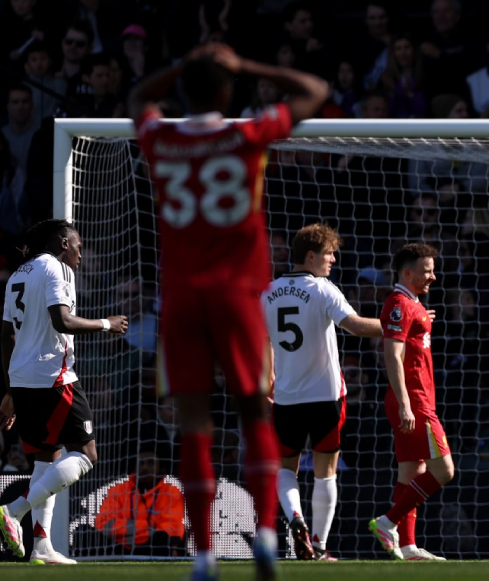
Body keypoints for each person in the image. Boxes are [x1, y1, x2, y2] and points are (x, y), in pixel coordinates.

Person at [128, 43, 327, 581]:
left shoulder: (161, 139)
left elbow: (138, 97)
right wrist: (244, 63)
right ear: (227, 90)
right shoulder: (246, 135)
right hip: (239, 293)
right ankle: (265, 533)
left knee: (194, 425)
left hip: (182, 298)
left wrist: (186, 63)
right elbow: (314, 91)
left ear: (185, 88)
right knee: (255, 411)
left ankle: (204, 557)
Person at [0, 219, 129, 565]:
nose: (81, 253)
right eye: (78, 245)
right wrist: (105, 324)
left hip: (24, 380)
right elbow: (63, 321)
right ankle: (14, 508)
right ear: (62, 243)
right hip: (54, 377)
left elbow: (7, 336)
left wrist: (11, 390)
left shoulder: (17, 275)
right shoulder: (56, 269)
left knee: (45, 461)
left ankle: (42, 547)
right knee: (87, 455)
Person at [263, 223, 383, 562]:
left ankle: (295, 519)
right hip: (327, 395)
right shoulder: (323, 289)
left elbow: (260, 342)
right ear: (311, 256)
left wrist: (267, 376)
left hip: (286, 397)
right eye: (329, 253)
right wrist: (400, 324)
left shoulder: (267, 292)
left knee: (286, 469)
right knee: (324, 470)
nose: (333, 260)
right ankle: (318, 545)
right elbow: (358, 326)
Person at [368, 243, 452, 562]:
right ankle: (388, 522)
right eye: (427, 270)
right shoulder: (399, 303)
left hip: (417, 399)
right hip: (414, 401)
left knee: (411, 472)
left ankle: (408, 546)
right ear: (408, 272)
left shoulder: (412, 304)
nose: (433, 276)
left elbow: (410, 336)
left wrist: (421, 317)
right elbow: (392, 354)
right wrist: (405, 403)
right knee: (444, 470)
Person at [95, 446, 185, 556]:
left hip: (155, 549)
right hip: (119, 548)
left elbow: (170, 530)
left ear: (161, 466)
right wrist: (146, 526)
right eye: (141, 463)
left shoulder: (172, 492)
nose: (145, 468)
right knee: (86, 533)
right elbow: (103, 524)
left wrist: (128, 531)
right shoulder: (118, 490)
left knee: (162, 539)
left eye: (151, 463)